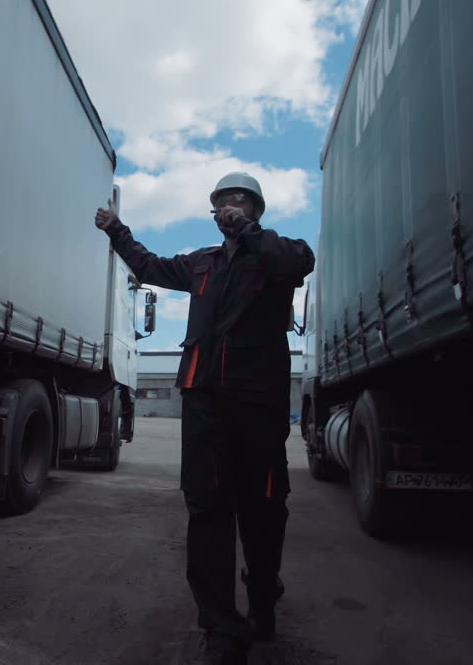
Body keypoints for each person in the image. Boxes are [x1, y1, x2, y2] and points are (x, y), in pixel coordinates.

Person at [95, 172, 315, 664]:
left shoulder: (281, 254)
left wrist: (252, 235)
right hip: (204, 402)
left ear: (255, 210)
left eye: (237, 203)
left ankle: (262, 599)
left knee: (262, 508)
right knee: (208, 511)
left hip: (258, 404)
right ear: (213, 214)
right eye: (220, 204)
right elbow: (149, 266)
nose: (228, 210)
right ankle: (220, 626)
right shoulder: (202, 263)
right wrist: (117, 230)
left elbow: (299, 260)